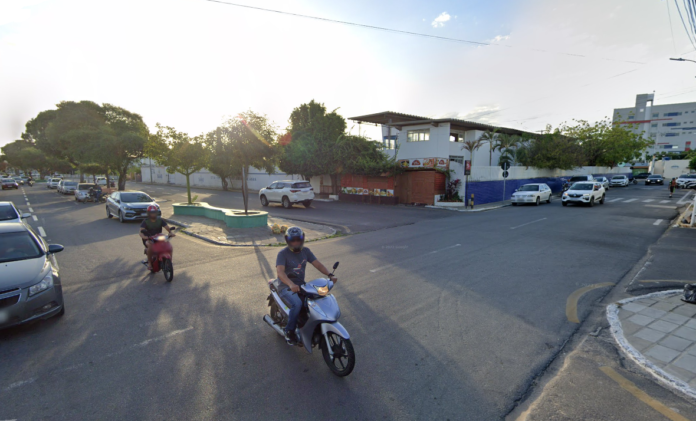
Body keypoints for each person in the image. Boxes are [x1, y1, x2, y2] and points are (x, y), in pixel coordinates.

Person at [276, 226, 337, 345]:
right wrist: (291, 284)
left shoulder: (306, 251)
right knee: (297, 304)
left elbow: (318, 264)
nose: (296, 242)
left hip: (301, 286)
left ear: (302, 239)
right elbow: (280, 272)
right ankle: (289, 331)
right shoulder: (282, 254)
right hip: (286, 287)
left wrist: (330, 275)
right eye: (293, 240)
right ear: (288, 240)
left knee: (317, 299)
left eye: (298, 239)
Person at [139, 205, 174, 270]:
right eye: (151, 213)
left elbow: (167, 227)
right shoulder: (145, 221)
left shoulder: (160, 220)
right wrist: (145, 237)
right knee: (150, 246)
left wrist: (170, 232)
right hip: (149, 238)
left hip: (158, 238)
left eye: (154, 212)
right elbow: (141, 232)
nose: (153, 214)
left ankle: (170, 262)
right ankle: (150, 263)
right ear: (148, 213)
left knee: (169, 246)